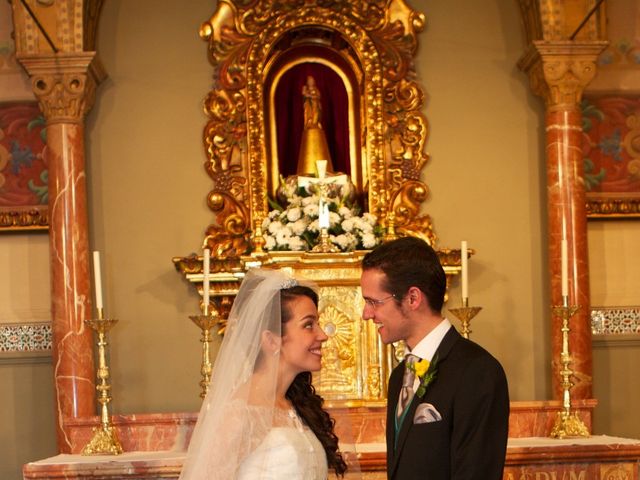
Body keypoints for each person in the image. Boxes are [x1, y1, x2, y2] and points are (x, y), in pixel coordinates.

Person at [360, 236, 510, 480]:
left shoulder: (478, 371)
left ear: (413, 298)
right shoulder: (399, 376)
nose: (366, 314)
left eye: (373, 302)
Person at [179, 269, 348, 479]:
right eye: (308, 325)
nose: (322, 335)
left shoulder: (294, 408)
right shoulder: (239, 412)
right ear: (271, 340)